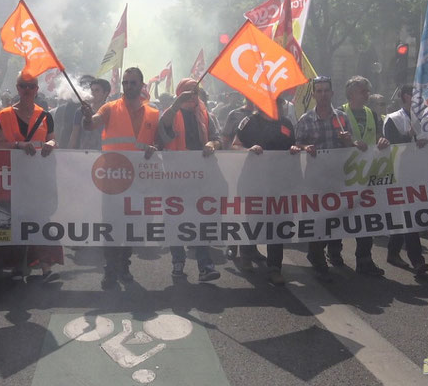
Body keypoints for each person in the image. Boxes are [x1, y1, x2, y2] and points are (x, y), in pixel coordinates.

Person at [81, 66, 159, 289]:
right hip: (112, 180)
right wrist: (87, 117)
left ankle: (124, 265)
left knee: (131, 228)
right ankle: (110, 270)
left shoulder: (153, 113)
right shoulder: (109, 108)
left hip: (139, 182)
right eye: (125, 83)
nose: (128, 86)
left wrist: (155, 148)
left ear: (141, 85)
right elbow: (91, 124)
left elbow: (158, 144)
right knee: (112, 226)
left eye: (132, 83)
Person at [0, 72, 62, 281]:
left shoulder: (45, 115)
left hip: (39, 179)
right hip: (13, 178)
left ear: (37, 90)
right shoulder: (4, 115)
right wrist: (18, 145)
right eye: (23, 86)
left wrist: (51, 144)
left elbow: (52, 141)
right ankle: (18, 266)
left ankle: (45, 268)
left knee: (40, 220)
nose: (27, 90)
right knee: (17, 221)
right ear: (17, 88)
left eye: (31, 86)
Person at [158, 78, 222, 282]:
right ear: (179, 93)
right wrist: (177, 103)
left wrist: (213, 144)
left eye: (195, 91)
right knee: (175, 219)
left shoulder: (205, 114)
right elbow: (163, 133)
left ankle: (205, 265)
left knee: (200, 219)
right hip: (174, 177)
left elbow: (218, 138)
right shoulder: (171, 113)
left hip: (200, 178)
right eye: (187, 91)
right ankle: (178, 260)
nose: (191, 95)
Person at [291, 76, 353, 281]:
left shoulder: (342, 118)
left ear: (332, 93)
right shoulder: (306, 119)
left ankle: (334, 251)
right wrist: (304, 148)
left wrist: (349, 141)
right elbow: (296, 145)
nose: (323, 94)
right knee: (318, 217)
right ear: (314, 95)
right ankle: (316, 254)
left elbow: (350, 146)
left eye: (326, 90)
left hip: (337, 175)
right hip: (315, 178)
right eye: (319, 91)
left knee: (336, 215)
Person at [328, 76, 389, 276]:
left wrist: (382, 141)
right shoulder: (338, 113)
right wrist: (351, 142)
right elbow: (333, 139)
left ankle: (364, 259)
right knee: (340, 214)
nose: (367, 94)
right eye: (363, 91)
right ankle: (334, 251)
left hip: (367, 174)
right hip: (343, 174)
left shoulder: (372, 113)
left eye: (367, 91)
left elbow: (380, 135)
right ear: (352, 93)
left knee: (367, 217)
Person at [232, 100, 297, 285]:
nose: (277, 106)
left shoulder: (286, 123)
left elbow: (294, 146)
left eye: (279, 103)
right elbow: (235, 145)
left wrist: (294, 149)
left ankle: (275, 267)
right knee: (253, 219)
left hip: (279, 182)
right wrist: (248, 150)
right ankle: (246, 252)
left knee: (278, 222)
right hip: (253, 181)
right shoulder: (248, 122)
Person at [382, 84, 428, 275]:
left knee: (405, 216)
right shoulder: (393, 119)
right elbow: (391, 145)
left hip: (419, 173)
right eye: (414, 95)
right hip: (399, 174)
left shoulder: (426, 119)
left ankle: (393, 252)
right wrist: (409, 135)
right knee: (410, 217)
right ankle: (417, 260)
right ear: (405, 97)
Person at [68, 78, 110, 150]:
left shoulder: (110, 111)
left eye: (97, 90)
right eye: (92, 90)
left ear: (105, 93)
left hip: (104, 155)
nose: (92, 93)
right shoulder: (81, 112)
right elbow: (74, 136)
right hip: (85, 155)